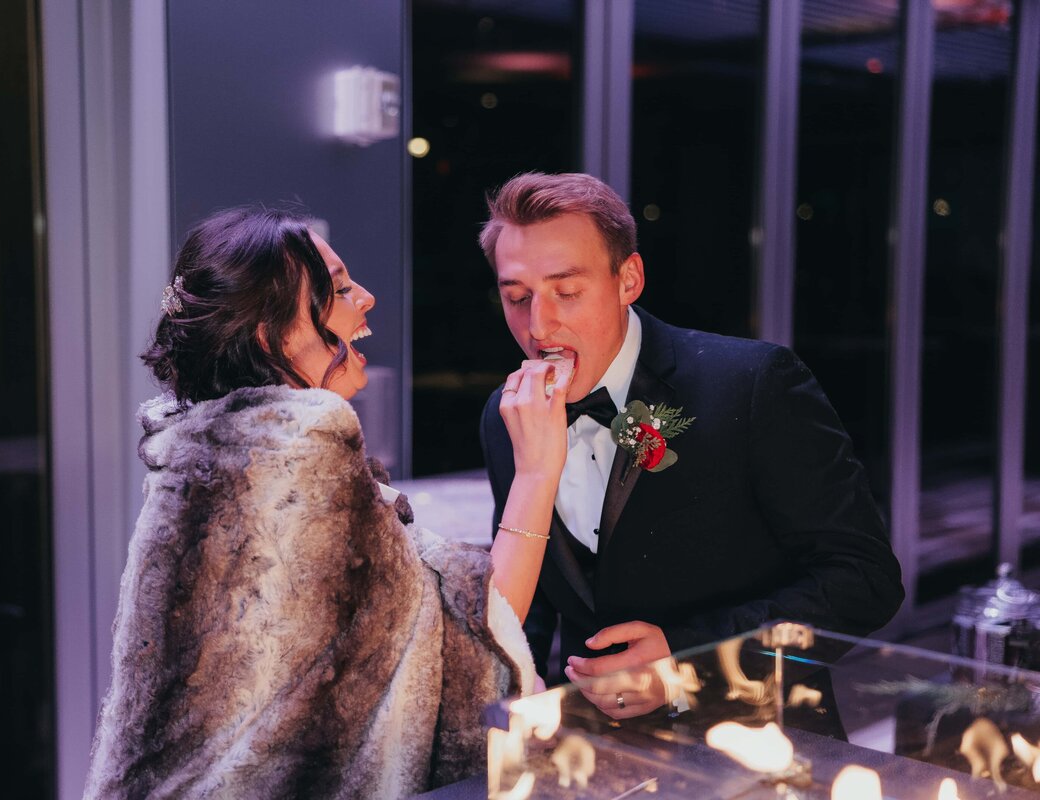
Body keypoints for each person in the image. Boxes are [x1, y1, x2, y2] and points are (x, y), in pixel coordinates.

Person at [84, 208, 568, 799]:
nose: (365, 298)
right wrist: (538, 470)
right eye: (338, 288)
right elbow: (471, 635)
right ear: (270, 334)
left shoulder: (203, 449)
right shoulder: (302, 440)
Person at [477, 172, 904, 720]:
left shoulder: (752, 384)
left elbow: (863, 579)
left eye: (567, 291)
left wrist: (689, 664)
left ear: (628, 279)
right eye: (517, 297)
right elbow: (531, 595)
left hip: (757, 743)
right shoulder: (503, 414)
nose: (540, 325)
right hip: (588, 754)